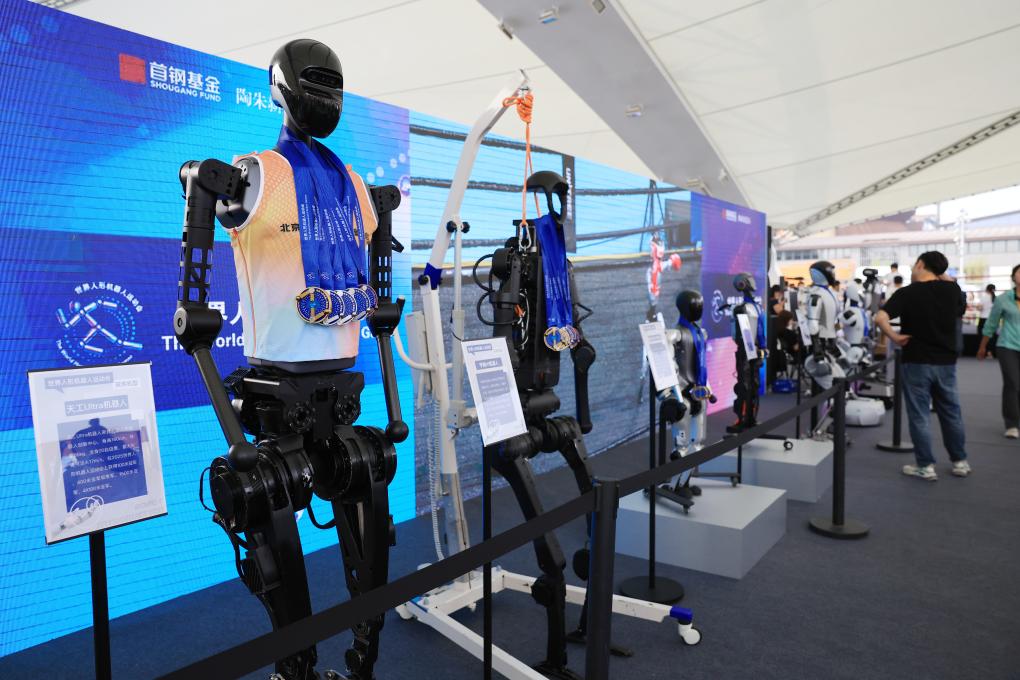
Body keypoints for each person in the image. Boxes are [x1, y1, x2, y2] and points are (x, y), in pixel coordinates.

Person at [875, 251, 970, 480]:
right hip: (946, 362)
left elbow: (880, 318)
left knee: (919, 415)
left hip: (916, 360)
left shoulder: (907, 293)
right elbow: (959, 306)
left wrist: (894, 337)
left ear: (920, 264)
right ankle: (960, 461)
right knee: (951, 413)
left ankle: (926, 465)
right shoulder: (952, 291)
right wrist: (941, 273)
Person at [977, 266, 1020, 438]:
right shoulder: (1003, 299)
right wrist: (982, 347)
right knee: (1012, 383)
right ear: (1013, 277)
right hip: (1007, 345)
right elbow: (991, 324)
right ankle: (1012, 424)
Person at [978, 283, 997, 358]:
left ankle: (983, 352)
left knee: (982, 336)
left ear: (986, 289)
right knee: (991, 336)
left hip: (983, 318)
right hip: (992, 319)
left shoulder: (984, 297)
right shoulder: (996, 298)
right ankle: (990, 353)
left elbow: (980, 308)